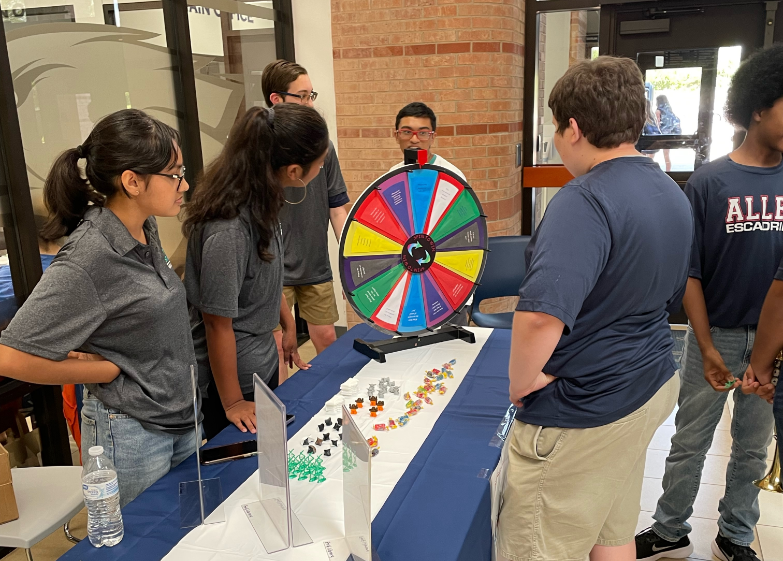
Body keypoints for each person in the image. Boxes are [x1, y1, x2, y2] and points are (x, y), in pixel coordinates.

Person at [497, 56, 692, 561]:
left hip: (587, 408)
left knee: (536, 546)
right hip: (649, 382)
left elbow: (541, 314)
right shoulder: (669, 191)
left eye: (556, 130)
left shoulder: (584, 200)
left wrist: (521, 382)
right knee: (611, 529)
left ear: (574, 128)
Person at [0, 109, 198, 506]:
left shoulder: (144, 226)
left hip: (180, 417)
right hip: (131, 433)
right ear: (132, 181)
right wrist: (103, 368)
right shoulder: (88, 256)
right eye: (174, 174)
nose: (185, 184)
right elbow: (9, 357)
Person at [636, 44, 783, 561]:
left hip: (776, 346)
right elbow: (690, 273)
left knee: (752, 447)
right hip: (713, 335)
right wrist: (703, 343)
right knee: (689, 440)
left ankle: (735, 534)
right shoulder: (710, 181)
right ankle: (670, 527)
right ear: (758, 107)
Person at [183, 104, 329, 439]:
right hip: (231, 382)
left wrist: (288, 323)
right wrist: (233, 401)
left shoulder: (261, 200)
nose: (322, 167)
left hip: (260, 364)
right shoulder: (229, 230)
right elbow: (216, 322)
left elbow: (264, 271)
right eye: (320, 163)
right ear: (294, 170)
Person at [261, 60, 349, 382]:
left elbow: (338, 208)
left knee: (325, 337)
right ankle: (282, 422)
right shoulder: (260, 149)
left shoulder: (322, 146)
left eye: (312, 95)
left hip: (314, 264)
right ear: (276, 99)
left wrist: (350, 256)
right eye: (302, 96)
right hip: (273, 269)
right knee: (278, 350)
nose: (310, 103)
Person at [389, 102, 465, 180]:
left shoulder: (452, 175)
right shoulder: (392, 175)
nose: (414, 140)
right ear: (397, 136)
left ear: (432, 137)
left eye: (422, 133)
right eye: (407, 132)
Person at [656, 94, 682, 172]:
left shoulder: (658, 111)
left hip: (663, 135)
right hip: (671, 135)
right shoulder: (669, 110)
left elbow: (657, 123)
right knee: (666, 155)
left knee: (650, 154)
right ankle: (668, 172)